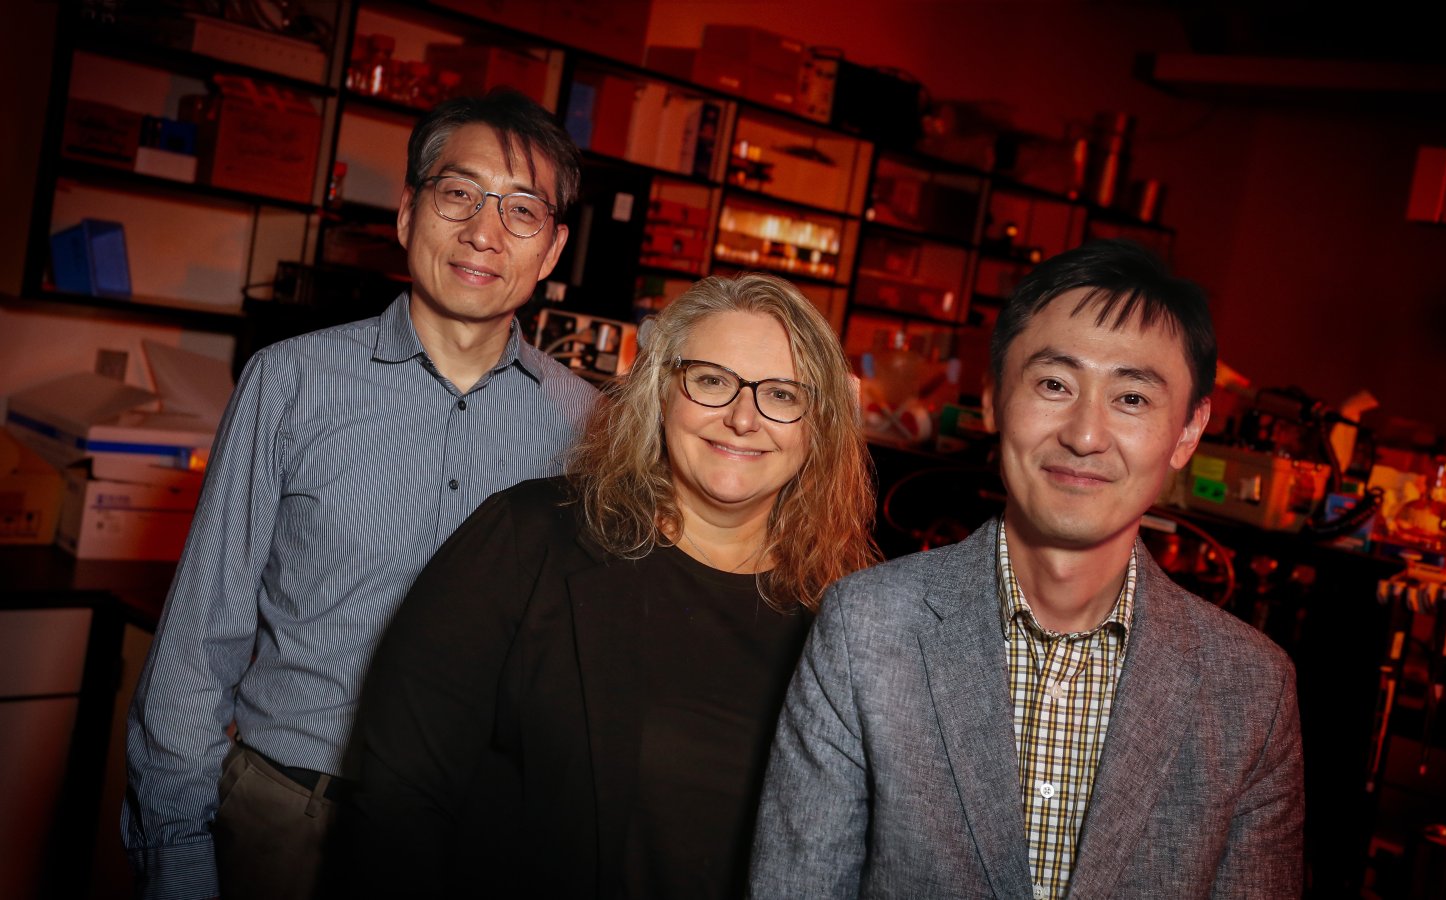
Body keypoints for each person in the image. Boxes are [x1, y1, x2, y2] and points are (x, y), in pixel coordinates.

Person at [122, 90, 597, 900]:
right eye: (460, 194)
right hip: (291, 818)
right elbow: (202, 638)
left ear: (551, 250)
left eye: (523, 211)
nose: (485, 232)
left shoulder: (588, 427)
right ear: (409, 213)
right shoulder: (291, 382)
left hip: (477, 839)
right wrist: (177, 851)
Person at [750, 239, 1306, 899]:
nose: (1085, 434)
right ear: (991, 400)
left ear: (1188, 431)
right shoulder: (867, 629)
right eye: (1053, 384)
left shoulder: (1251, 689)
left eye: (1131, 398)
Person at [335, 272, 880, 898]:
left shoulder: (848, 615)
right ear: (660, 392)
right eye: (710, 381)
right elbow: (398, 801)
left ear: (820, 426)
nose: (741, 418)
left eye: (782, 394)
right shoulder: (527, 540)